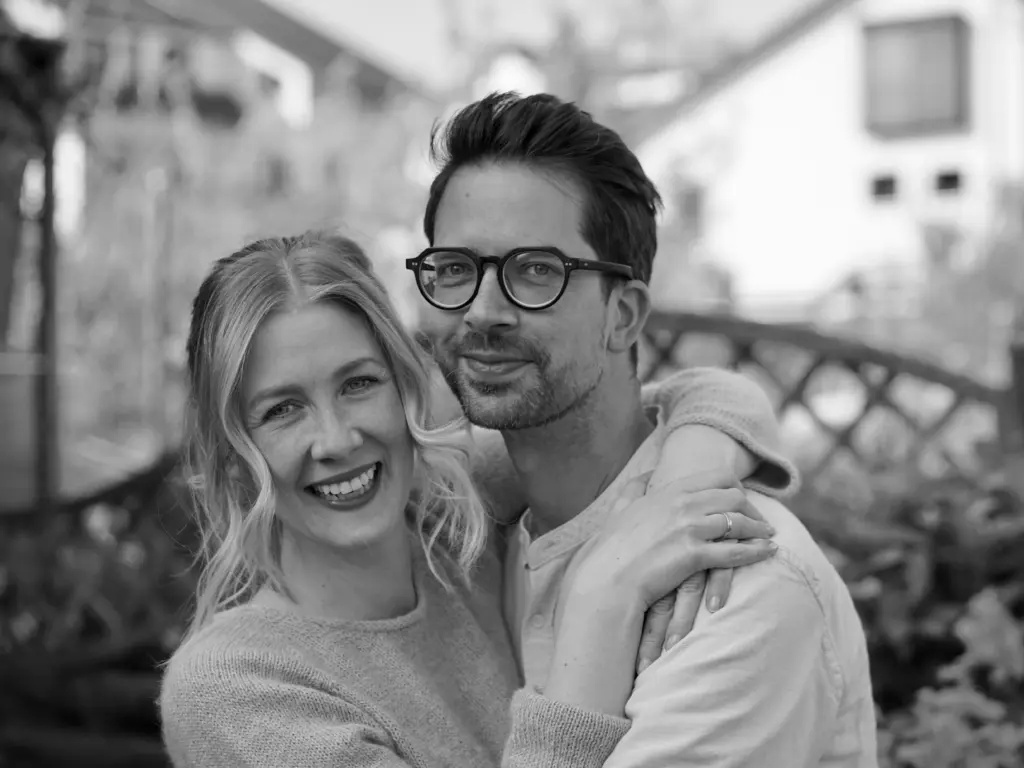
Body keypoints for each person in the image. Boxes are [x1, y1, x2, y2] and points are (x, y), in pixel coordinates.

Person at [158, 231, 793, 767]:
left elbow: (702, 396)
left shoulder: (454, 518)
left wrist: (678, 494)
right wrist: (603, 599)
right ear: (233, 454)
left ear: (403, 387)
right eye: (283, 410)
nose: (337, 439)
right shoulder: (234, 687)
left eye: (358, 384)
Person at [411, 92, 878, 766]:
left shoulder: (732, 589)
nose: (482, 311)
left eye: (536, 271)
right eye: (455, 269)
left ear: (624, 316)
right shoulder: (473, 538)